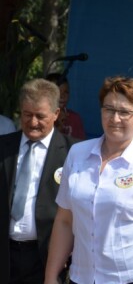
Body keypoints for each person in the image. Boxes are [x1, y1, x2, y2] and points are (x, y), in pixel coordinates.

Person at [44, 76, 133, 284]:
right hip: (82, 277)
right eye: (109, 109)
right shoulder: (77, 154)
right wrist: (50, 276)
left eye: (124, 112)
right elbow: (65, 221)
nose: (115, 119)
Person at [0, 79, 78, 283]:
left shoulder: (74, 153)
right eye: (27, 114)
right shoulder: (3, 148)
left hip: (47, 258)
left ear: (56, 114)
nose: (33, 122)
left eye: (40, 116)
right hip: (5, 256)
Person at [45, 73, 86, 140]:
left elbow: (81, 145)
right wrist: (57, 126)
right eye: (58, 92)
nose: (62, 96)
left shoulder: (74, 118)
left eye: (66, 92)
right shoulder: (41, 118)